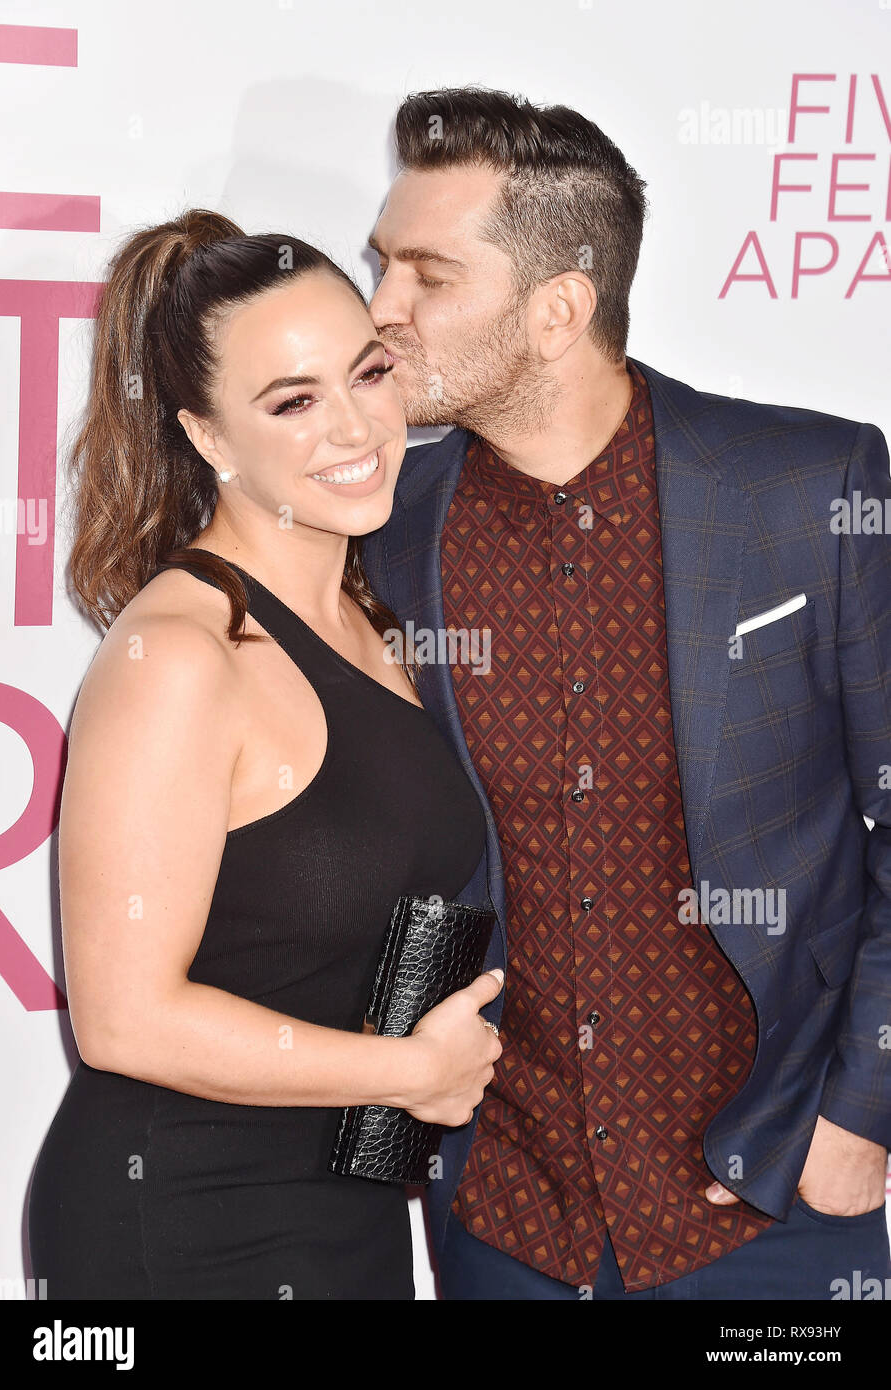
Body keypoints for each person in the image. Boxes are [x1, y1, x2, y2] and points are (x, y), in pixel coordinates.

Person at [361, 86, 891, 1300]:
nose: (379, 311)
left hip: (773, 1214)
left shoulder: (809, 485)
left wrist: (862, 1116)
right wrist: (401, 1144)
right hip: (503, 1218)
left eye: (426, 277)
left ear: (556, 310)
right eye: (379, 264)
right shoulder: (384, 528)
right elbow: (395, 860)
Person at [26, 208, 503, 1300]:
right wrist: (406, 1073)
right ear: (204, 436)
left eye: (367, 374)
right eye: (293, 401)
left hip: (349, 1210)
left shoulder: (376, 619)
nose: (355, 428)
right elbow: (121, 1016)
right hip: (185, 1222)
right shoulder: (180, 654)